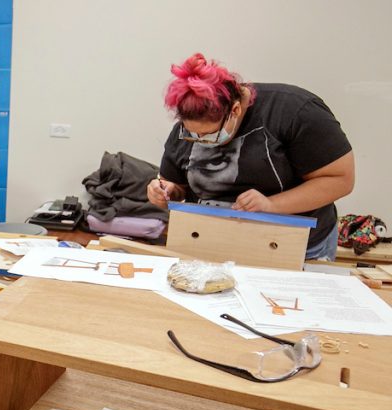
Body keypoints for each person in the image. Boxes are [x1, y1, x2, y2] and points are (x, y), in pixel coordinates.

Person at [147, 53, 355, 260]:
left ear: (235, 110)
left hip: (294, 247)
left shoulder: (295, 112)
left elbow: (340, 180)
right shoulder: (189, 126)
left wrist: (272, 205)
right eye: (192, 134)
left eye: (210, 135)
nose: (200, 140)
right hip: (210, 243)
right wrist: (167, 191)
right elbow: (176, 183)